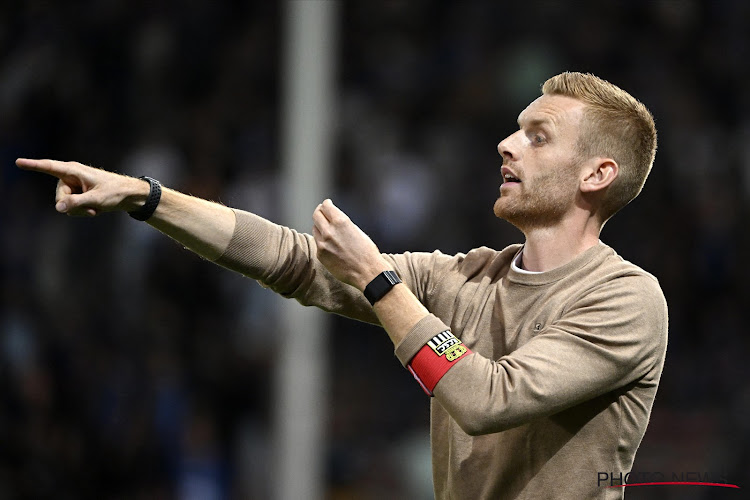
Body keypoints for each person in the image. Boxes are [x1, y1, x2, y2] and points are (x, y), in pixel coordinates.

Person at [18, 71, 667, 499]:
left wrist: (380, 282)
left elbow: (489, 398)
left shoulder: (626, 300)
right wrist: (147, 198)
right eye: (514, 128)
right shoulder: (470, 276)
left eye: (536, 136)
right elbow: (293, 259)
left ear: (596, 174)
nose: (505, 144)